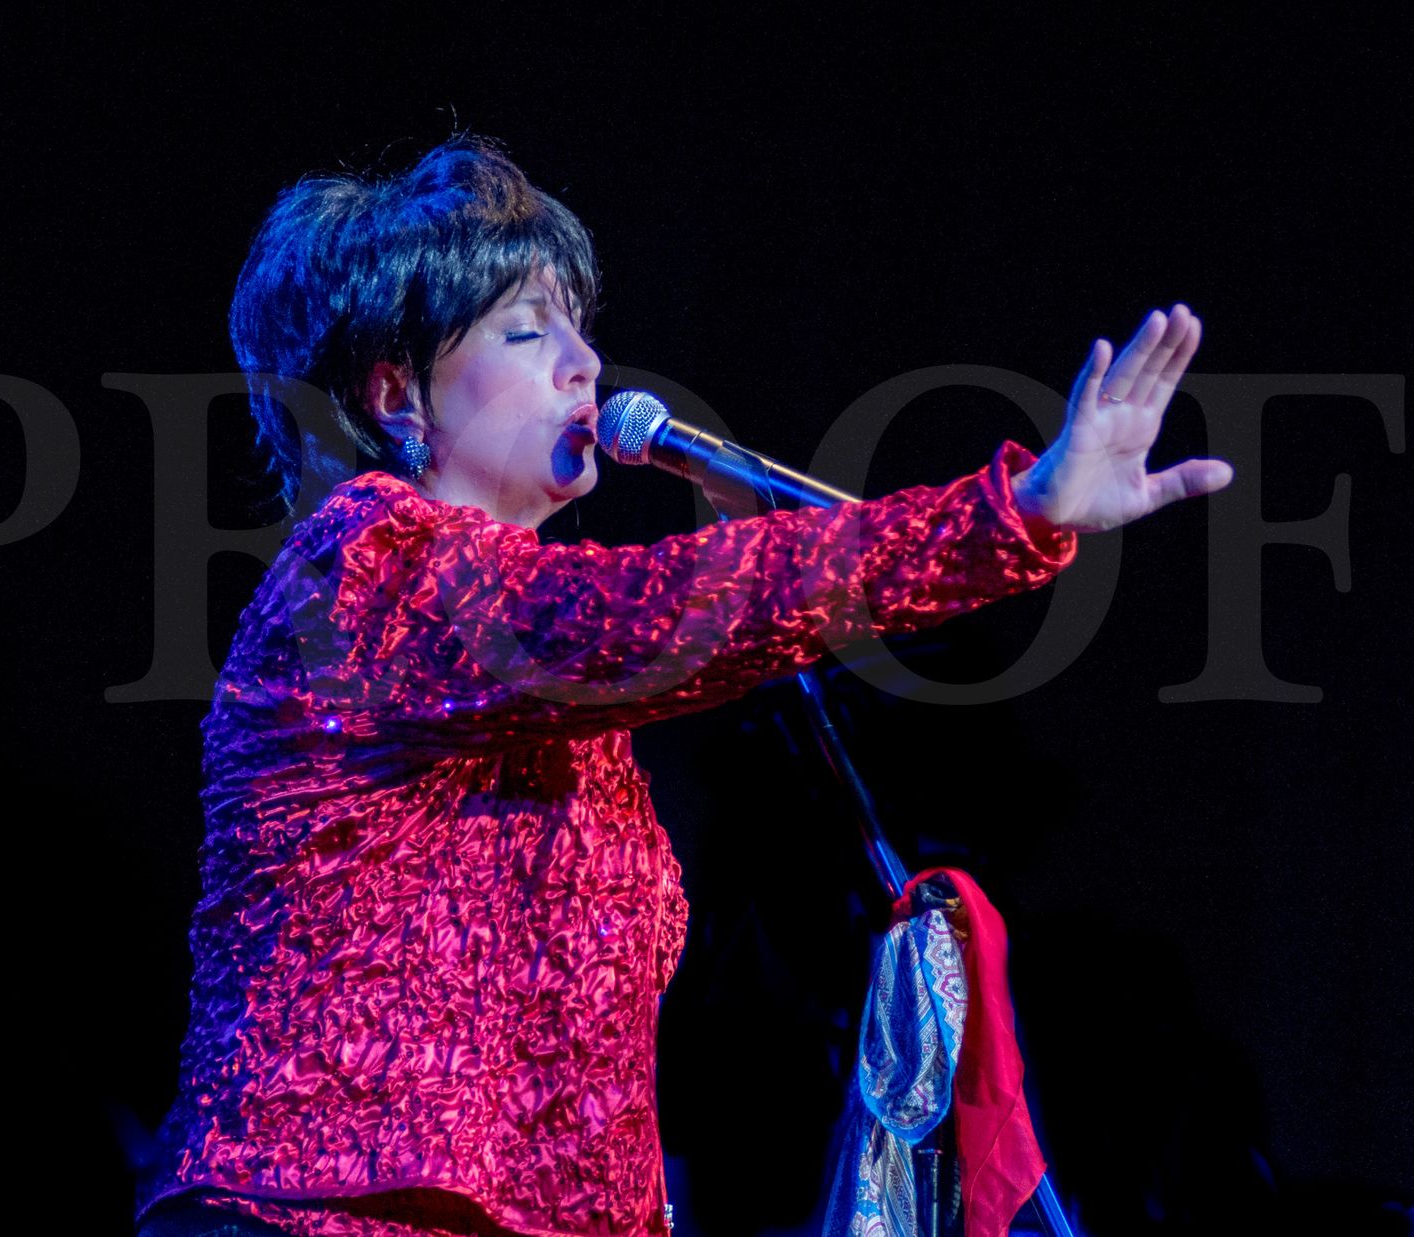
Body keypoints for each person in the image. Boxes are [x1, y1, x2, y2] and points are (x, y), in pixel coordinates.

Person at [134, 136, 1231, 1237]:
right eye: (528, 330)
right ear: (395, 393)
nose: (585, 364)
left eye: (581, 327)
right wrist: (1013, 515)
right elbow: (654, 611)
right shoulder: (367, 566)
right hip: (316, 1213)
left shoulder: (542, 694)